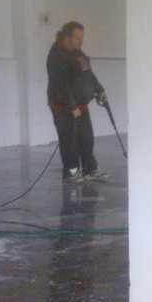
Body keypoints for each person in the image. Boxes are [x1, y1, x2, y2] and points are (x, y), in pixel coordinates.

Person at [46, 21, 109, 182]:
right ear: (67, 37)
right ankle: (71, 173)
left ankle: (90, 170)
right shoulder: (57, 55)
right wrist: (72, 106)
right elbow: (60, 84)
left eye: (82, 38)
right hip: (63, 107)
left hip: (80, 104)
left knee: (86, 138)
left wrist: (99, 89)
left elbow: (88, 73)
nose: (80, 42)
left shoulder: (78, 54)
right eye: (77, 38)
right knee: (69, 141)